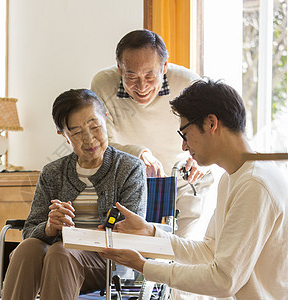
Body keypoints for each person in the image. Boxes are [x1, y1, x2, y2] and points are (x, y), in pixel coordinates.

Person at [100, 78, 288, 299]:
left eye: (184, 134)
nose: (184, 146)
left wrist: (144, 266)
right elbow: (209, 251)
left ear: (211, 123)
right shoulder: (233, 178)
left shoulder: (255, 184)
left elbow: (224, 280)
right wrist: (152, 233)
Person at [1, 89, 147, 300]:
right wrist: (50, 227)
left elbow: (131, 234)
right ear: (64, 136)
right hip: (56, 260)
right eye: (77, 132)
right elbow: (29, 231)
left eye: (95, 126)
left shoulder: (129, 168)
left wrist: (87, 236)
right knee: (28, 248)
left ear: (105, 119)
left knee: (61, 251)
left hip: (107, 264)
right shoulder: (53, 172)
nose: (89, 139)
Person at [91, 29, 214, 239]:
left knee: (181, 252)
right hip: (133, 184)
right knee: (134, 255)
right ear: (120, 69)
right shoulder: (102, 84)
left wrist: (202, 159)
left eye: (150, 76)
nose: (141, 86)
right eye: (132, 76)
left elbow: (213, 132)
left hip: (183, 182)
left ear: (164, 67)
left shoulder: (189, 84)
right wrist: (138, 153)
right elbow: (100, 142)